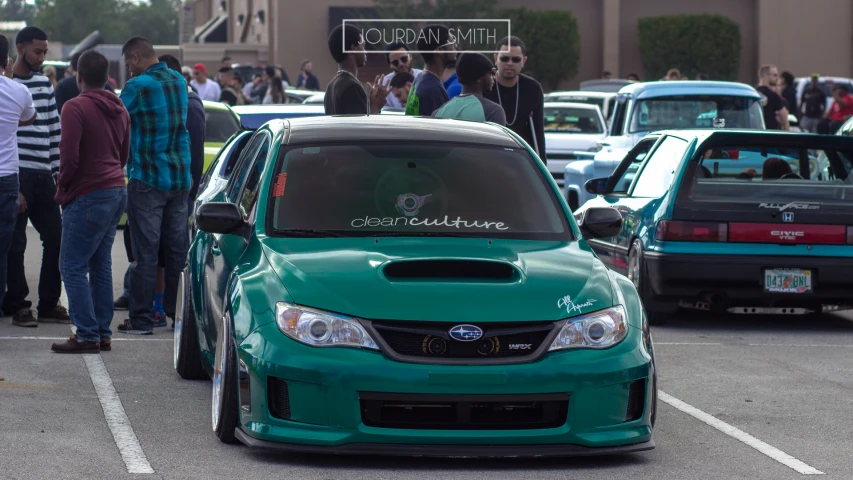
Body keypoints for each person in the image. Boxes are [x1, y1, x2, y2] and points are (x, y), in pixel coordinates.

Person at [50, 50, 129, 353]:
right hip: (116, 189)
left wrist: (63, 190)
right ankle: (101, 332)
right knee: (99, 264)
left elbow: (68, 157)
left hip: (87, 192)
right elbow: (124, 155)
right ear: (107, 78)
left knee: (71, 265)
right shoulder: (120, 108)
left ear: (78, 77)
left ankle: (85, 334)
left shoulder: (74, 107)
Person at [119, 37, 191, 335]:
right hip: (179, 178)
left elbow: (117, 122)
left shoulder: (137, 87)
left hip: (148, 178)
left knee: (145, 254)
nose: (128, 70)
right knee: (176, 251)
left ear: (134, 57)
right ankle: (180, 318)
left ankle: (142, 320)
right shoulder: (178, 80)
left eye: (127, 64)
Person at [5, 27, 68, 328]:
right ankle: (19, 305)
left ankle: (48, 303)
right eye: (36, 52)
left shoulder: (44, 83)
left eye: (44, 52)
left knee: (56, 237)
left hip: (44, 175)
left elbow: (54, 131)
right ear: (20, 48)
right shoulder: (8, 84)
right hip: (17, 175)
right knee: (16, 243)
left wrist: (57, 173)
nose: (41, 58)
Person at [0, 34, 37, 322]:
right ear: (7, 60)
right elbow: (28, 119)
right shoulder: (18, 91)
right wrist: (9, 78)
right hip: (6, 179)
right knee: (3, 248)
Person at [484, 36, 546, 162]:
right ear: (495, 58)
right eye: (505, 58)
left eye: (516, 59)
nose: (510, 63)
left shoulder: (533, 88)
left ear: (524, 61)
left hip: (519, 158)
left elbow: (538, 133)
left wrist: (541, 167)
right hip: (489, 155)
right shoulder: (485, 85)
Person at [324, 24, 385, 115]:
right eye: (363, 46)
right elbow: (360, 128)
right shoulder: (352, 87)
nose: (365, 51)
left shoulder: (331, 86)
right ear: (353, 48)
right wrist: (375, 107)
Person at [433, 52, 505, 125]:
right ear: (478, 78)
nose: (494, 77)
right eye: (491, 73)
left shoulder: (438, 112)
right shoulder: (493, 111)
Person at [405, 24, 457, 116]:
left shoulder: (421, 78)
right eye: (452, 43)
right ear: (440, 50)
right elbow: (438, 129)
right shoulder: (432, 91)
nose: (455, 46)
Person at [381, 42, 422, 109]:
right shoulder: (384, 84)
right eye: (395, 62)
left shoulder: (423, 77)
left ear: (410, 56)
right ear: (390, 65)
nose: (401, 64)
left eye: (404, 59)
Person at [756, 64, 789, 130]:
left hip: (755, 132)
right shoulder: (773, 96)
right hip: (770, 134)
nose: (777, 78)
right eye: (775, 75)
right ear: (766, 75)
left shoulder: (753, 93)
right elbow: (785, 119)